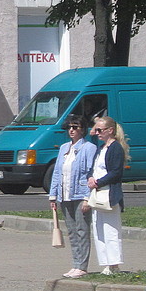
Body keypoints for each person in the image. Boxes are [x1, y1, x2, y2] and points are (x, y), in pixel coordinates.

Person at [48, 118, 97, 279]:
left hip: (80, 194)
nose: (71, 130)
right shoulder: (64, 148)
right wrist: (53, 195)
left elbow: (90, 173)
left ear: (82, 129)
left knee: (82, 230)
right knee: (72, 231)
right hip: (65, 195)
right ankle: (75, 264)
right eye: (69, 127)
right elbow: (57, 173)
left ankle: (82, 266)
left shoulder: (89, 148)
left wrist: (86, 198)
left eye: (75, 127)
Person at [84, 115, 129, 275]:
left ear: (110, 131)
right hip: (97, 194)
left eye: (100, 130)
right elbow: (94, 167)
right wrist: (90, 177)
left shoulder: (116, 148)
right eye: (96, 130)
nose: (97, 133)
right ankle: (105, 263)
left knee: (111, 229)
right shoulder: (101, 148)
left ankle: (114, 264)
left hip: (109, 194)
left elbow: (116, 172)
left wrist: (98, 182)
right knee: (98, 228)